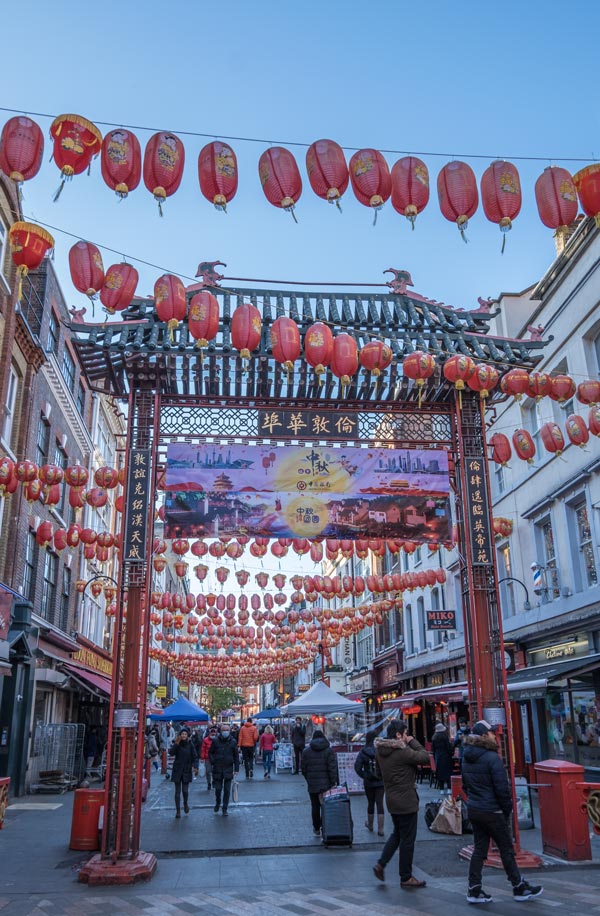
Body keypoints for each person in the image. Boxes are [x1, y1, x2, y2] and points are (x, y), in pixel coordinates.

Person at [462, 720, 543, 905]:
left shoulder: (466, 757)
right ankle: (518, 886)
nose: (494, 734)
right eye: (491, 732)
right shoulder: (492, 758)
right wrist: (506, 809)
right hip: (493, 810)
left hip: (475, 809)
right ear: (484, 736)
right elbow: (502, 789)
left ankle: (474, 889)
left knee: (479, 849)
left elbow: (466, 785)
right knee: (506, 850)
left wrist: (475, 800)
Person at [373, 719, 429, 889]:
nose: (406, 736)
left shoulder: (381, 752)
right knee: (407, 840)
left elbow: (377, 773)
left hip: (391, 799)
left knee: (397, 834)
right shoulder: (402, 752)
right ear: (398, 735)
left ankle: (381, 863)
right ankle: (406, 876)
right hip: (406, 800)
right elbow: (424, 757)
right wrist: (412, 741)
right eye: (405, 733)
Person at [301, 728, 339, 836]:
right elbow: (332, 768)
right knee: (325, 806)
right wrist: (333, 782)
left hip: (312, 784)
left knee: (315, 806)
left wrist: (308, 779)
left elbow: (303, 768)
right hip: (326, 784)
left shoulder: (306, 751)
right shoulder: (329, 750)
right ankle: (325, 827)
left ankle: (316, 828)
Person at [354, 730, 385, 836]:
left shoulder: (363, 751)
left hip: (369, 782)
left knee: (370, 803)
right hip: (381, 781)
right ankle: (381, 829)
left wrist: (365, 775)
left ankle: (370, 825)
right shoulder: (381, 750)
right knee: (380, 803)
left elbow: (357, 767)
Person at [209, 723, 240, 816]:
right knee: (218, 789)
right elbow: (210, 753)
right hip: (218, 768)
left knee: (227, 790)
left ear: (229, 731)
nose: (225, 732)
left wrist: (236, 769)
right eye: (224, 730)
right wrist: (213, 761)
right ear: (220, 731)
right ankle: (218, 802)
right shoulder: (215, 741)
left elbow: (236, 756)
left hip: (228, 768)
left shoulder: (233, 742)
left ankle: (224, 808)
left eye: (227, 730)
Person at [168, 726, 198, 818]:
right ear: (180, 735)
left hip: (186, 769)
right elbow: (171, 753)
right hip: (177, 769)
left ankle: (185, 803)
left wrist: (195, 767)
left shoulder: (190, 744)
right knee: (177, 792)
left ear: (187, 735)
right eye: (182, 734)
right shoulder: (177, 743)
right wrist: (176, 744)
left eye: (185, 734)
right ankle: (178, 811)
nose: (184, 735)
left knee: (185, 791)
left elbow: (195, 756)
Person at [431, 722, 454, 792]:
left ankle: (441, 788)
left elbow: (433, 749)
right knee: (448, 772)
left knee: (440, 772)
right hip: (446, 756)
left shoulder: (434, 738)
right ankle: (449, 788)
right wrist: (451, 753)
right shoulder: (445, 737)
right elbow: (448, 747)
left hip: (438, 756)